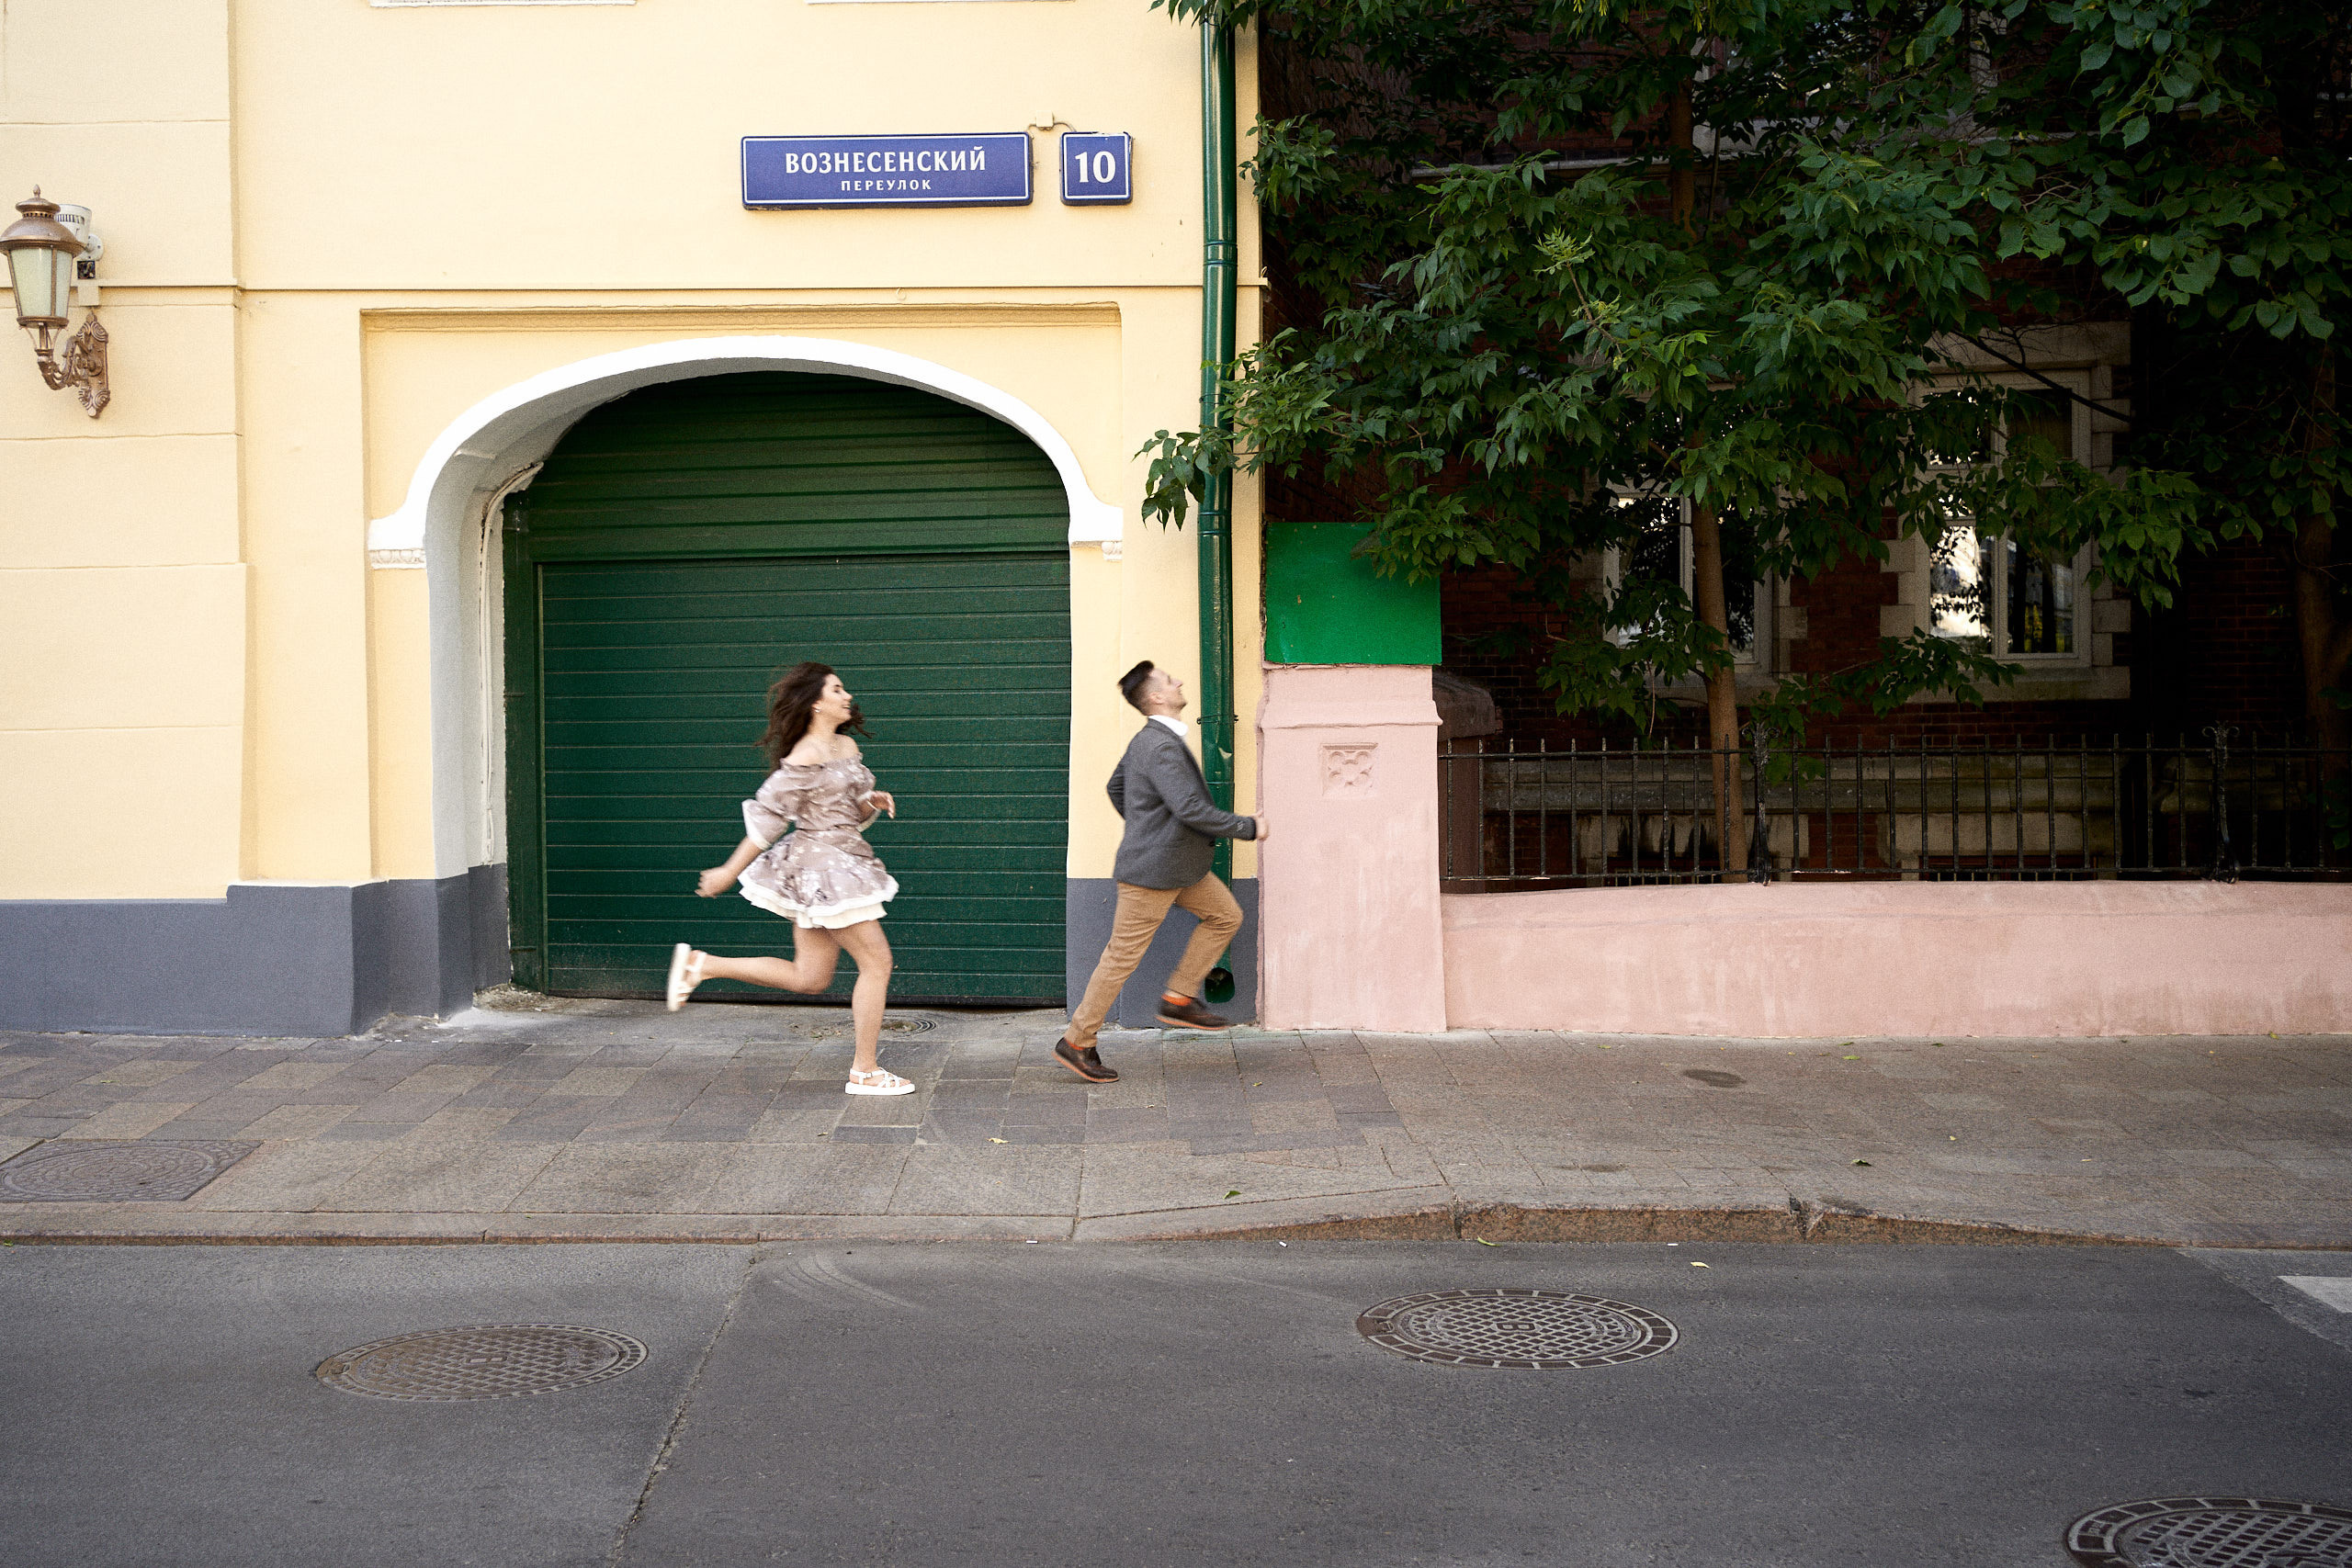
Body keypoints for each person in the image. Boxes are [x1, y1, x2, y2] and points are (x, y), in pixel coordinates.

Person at [664, 662, 913, 1097]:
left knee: (810, 978)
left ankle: (702, 966)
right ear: (817, 702)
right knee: (877, 962)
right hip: (825, 871)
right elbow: (768, 820)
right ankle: (865, 1071)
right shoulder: (804, 757)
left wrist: (870, 803)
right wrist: (729, 870)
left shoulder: (846, 746)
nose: (846, 695)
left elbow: (846, 812)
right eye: (837, 689)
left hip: (841, 861)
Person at [1054, 660, 1266, 1084]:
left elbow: (1117, 788)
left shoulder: (1148, 741)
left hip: (1179, 867)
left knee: (1225, 915)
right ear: (1155, 697)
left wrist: (1147, 828)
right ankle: (1077, 1041)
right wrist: (1249, 827)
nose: (1180, 681)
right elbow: (1190, 809)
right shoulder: (1162, 746)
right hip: (1152, 873)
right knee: (1120, 960)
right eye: (1170, 681)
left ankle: (1178, 997)